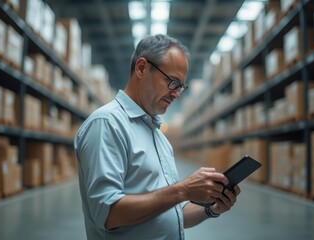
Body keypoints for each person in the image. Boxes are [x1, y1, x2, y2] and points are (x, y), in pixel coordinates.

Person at [74, 34, 241, 240]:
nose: (177, 94)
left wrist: (212, 209)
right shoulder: (107, 124)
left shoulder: (159, 138)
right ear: (142, 68)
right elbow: (108, 213)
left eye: (181, 86)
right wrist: (182, 190)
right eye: (173, 82)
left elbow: (172, 213)